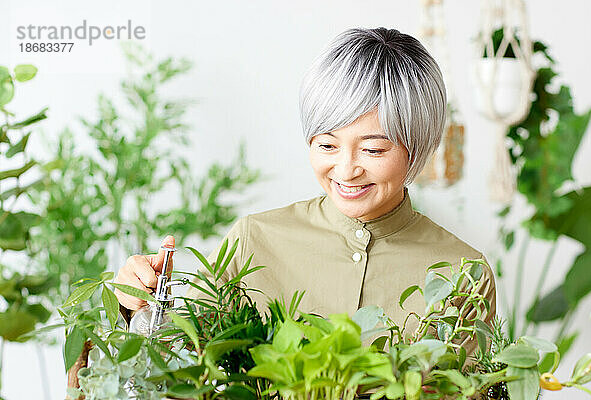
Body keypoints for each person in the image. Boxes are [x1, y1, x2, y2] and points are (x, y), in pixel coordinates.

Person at [115, 27, 496, 347]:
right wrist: (135, 304)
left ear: (418, 147)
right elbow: (177, 356)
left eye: (373, 149)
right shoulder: (254, 239)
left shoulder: (465, 273)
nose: (346, 170)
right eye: (327, 145)